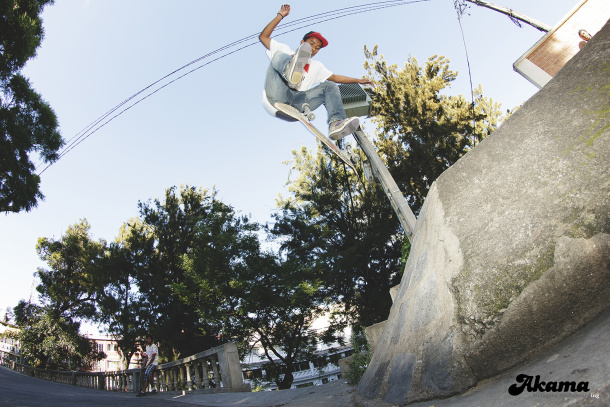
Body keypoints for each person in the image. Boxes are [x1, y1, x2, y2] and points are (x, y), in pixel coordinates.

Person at [259, 4, 373, 141]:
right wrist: (280, 15)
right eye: (311, 44)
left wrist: (358, 80)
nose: (313, 48)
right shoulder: (284, 49)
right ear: (302, 42)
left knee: (330, 86)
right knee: (279, 54)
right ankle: (289, 72)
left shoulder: (317, 66)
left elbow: (336, 77)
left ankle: (336, 124)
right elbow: (263, 37)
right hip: (276, 96)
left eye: (317, 47)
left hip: (296, 104)